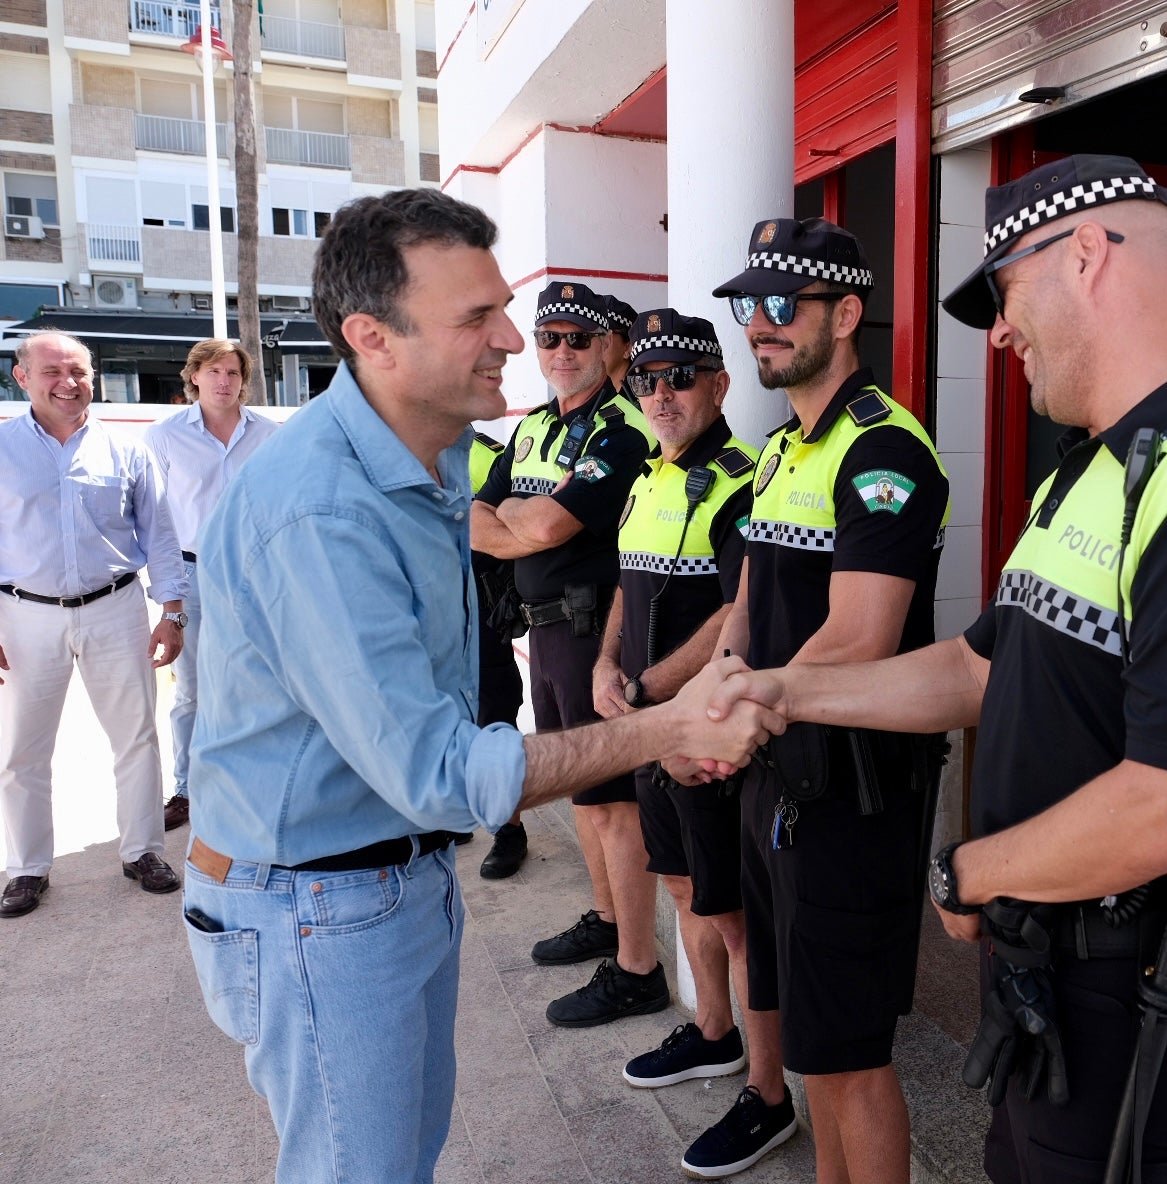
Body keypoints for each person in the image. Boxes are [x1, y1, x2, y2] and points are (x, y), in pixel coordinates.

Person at [700, 155, 1167, 1183]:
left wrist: (969, 869)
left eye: (1004, 290)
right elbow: (973, 666)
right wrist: (785, 689)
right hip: (1045, 965)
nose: (999, 331)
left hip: (1135, 987)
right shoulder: (1087, 468)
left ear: (1085, 253)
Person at [180, 188, 782, 1183]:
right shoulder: (320, 509)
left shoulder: (443, 445)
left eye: (510, 309)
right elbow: (439, 771)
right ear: (371, 337)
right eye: (479, 318)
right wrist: (665, 724)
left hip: (394, 878)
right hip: (315, 902)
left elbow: (529, 539)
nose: (516, 337)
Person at [699, 218, 951, 1184]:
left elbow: (859, 637)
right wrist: (718, 697)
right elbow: (750, 603)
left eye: (780, 306)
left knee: (849, 1058)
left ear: (847, 314)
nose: (757, 326)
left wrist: (734, 718)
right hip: (775, 772)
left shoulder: (886, 450)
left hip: (852, 790)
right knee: (809, 1041)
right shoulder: (776, 450)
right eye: (746, 307)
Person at [590, 308, 795, 1177]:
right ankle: (713, 1032)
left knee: (738, 917)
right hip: (645, 726)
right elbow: (624, 587)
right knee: (681, 887)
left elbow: (729, 617)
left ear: (719, 384)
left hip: (699, 730)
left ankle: (768, 1093)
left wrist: (648, 694)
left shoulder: (742, 480)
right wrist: (605, 660)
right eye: (646, 378)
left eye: (679, 377)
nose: (661, 394)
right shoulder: (646, 475)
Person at [471, 280, 669, 1026]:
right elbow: (474, 515)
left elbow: (552, 528)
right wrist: (519, 517)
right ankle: (608, 920)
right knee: (583, 800)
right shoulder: (530, 428)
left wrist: (519, 518)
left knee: (615, 805)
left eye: (577, 339)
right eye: (548, 337)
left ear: (603, 346)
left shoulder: (620, 428)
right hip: (543, 630)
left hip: (594, 634)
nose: (560, 352)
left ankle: (638, 966)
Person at [0, 331, 188, 918]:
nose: (69, 382)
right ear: (21, 376)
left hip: (115, 608)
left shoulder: (126, 450)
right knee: (23, 751)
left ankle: (142, 851)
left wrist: (173, 612)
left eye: (79, 370)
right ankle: (28, 868)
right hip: (25, 615)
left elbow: (159, 535)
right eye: (52, 370)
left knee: (136, 737)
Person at [144, 338, 278, 833]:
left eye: (233, 373)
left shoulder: (269, 435)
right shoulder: (163, 438)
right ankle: (186, 787)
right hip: (192, 573)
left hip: (255, 575)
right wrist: (168, 597)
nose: (225, 382)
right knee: (192, 691)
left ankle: (253, 783)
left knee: (258, 682)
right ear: (194, 376)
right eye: (215, 371)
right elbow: (153, 518)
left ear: (244, 381)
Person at [467, 428, 530, 878]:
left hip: (482, 611)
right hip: (421, 612)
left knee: (495, 717)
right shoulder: (390, 449)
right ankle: (448, 811)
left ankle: (509, 829)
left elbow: (514, 525)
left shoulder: (486, 455)